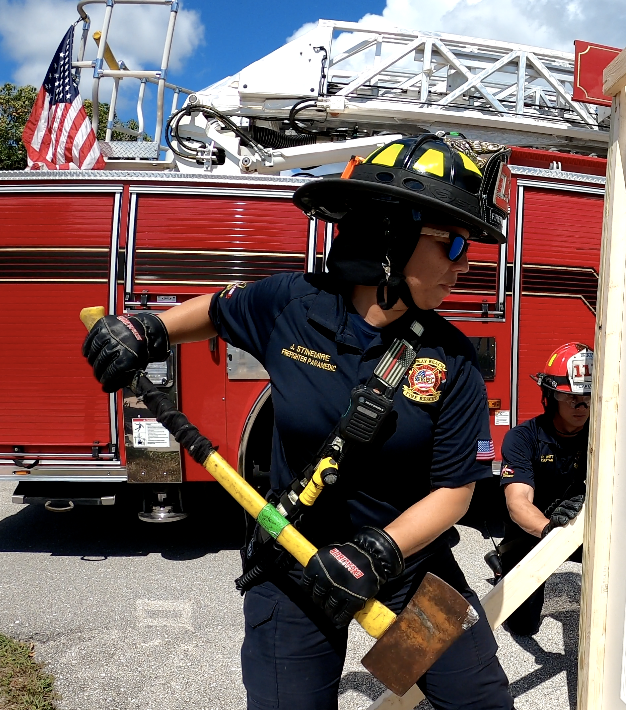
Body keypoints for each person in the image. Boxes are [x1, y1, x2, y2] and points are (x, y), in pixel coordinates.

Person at [82, 133, 514, 710]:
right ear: (390, 235)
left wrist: (377, 554)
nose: (464, 266)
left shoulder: (453, 360)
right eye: (454, 245)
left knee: (479, 705)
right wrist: (147, 329)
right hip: (293, 570)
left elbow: (455, 492)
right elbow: (215, 311)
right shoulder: (293, 305)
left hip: (404, 572)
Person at [496, 343, 592, 637]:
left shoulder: (602, 435)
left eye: (588, 399)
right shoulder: (522, 438)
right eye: (571, 398)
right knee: (523, 627)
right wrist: (552, 534)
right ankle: (503, 561)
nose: (581, 408)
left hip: (578, 526)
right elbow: (518, 502)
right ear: (551, 396)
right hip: (533, 532)